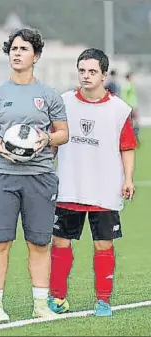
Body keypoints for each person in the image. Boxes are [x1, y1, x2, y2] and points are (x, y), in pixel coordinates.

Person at [0, 28, 69, 321]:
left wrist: (47, 139)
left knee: (39, 243)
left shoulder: (49, 95)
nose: (17, 53)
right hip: (2, 175)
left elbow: (63, 132)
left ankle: (40, 305)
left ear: (36, 56)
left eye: (24, 49)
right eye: (13, 48)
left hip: (40, 176)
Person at [48, 49, 137, 317]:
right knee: (60, 242)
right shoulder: (63, 102)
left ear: (104, 75)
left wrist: (128, 179)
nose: (86, 76)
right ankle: (57, 298)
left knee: (103, 245)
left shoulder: (119, 110)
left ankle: (103, 301)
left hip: (105, 189)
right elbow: (54, 140)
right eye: (82, 71)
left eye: (92, 72)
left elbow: (127, 147)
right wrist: (45, 169)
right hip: (69, 186)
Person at [120, 72, 139, 143]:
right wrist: (128, 106)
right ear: (129, 77)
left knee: (133, 122)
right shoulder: (127, 85)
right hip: (130, 106)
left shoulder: (130, 84)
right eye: (132, 77)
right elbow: (124, 96)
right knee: (132, 122)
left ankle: (134, 137)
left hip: (133, 105)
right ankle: (133, 137)